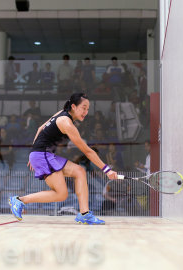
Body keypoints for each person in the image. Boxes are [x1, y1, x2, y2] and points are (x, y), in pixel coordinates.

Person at [9, 92, 118, 225]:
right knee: (61, 194)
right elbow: (87, 151)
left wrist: (34, 152)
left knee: (80, 171)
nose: (86, 112)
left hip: (43, 154)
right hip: (43, 155)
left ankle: (85, 214)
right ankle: (20, 200)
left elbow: (40, 128)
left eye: (88, 109)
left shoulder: (62, 113)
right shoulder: (66, 123)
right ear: (73, 106)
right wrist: (107, 170)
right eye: (83, 108)